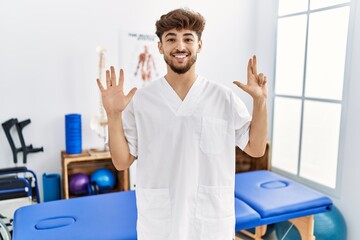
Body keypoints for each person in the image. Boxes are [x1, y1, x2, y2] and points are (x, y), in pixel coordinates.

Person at [97, 8, 267, 240]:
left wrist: (260, 102)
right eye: (171, 39)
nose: (180, 46)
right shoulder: (142, 100)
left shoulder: (223, 98)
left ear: (199, 45)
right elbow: (121, 161)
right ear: (160, 47)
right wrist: (113, 115)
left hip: (210, 223)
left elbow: (256, 148)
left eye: (188, 38)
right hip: (159, 225)